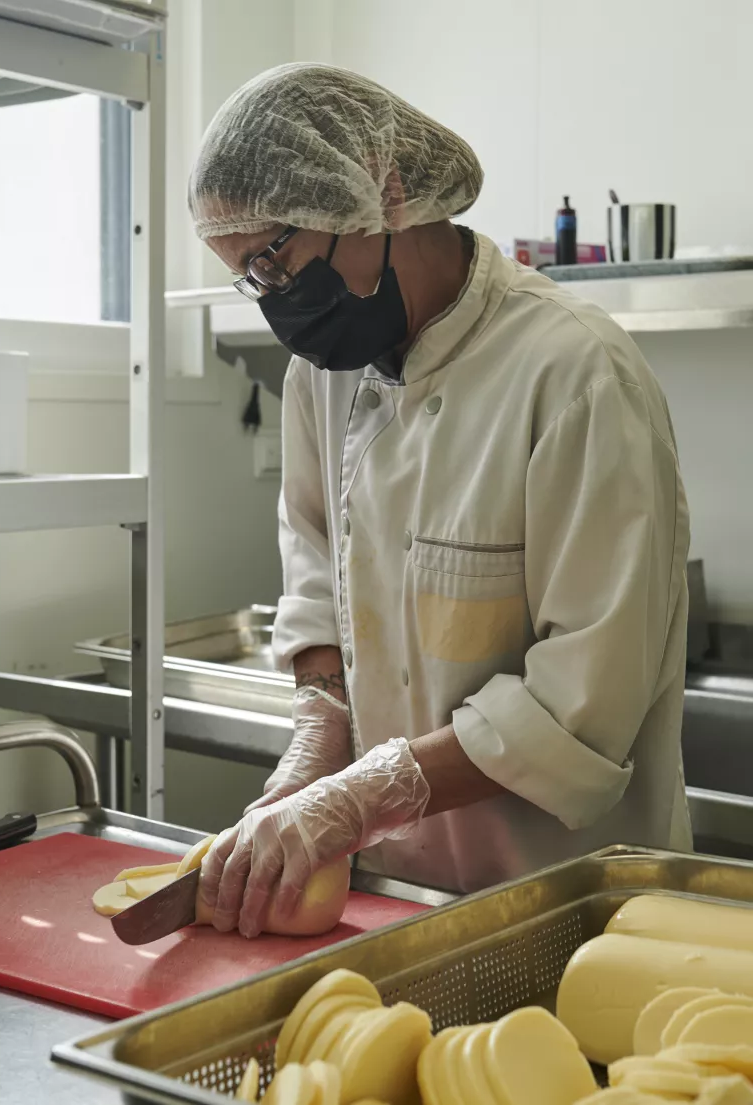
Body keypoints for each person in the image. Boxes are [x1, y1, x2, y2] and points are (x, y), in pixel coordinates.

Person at [188, 62, 692, 938]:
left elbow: (584, 700)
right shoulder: (321, 376)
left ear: (380, 195)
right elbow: (315, 579)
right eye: (249, 278)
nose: (275, 301)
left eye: (274, 258)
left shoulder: (575, 373)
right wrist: (321, 728)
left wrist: (368, 794)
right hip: (392, 903)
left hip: (570, 910)